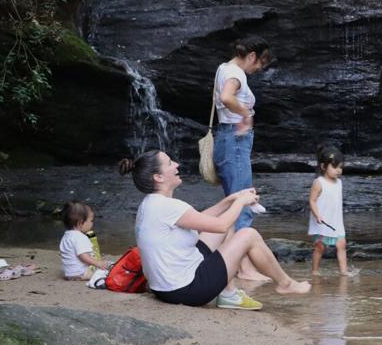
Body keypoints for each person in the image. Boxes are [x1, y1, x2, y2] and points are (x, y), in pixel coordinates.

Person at [119, 150, 310, 310]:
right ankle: (285, 284)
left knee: (226, 230)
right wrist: (242, 202)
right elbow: (220, 225)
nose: (176, 164)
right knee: (248, 235)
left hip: (165, 287)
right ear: (158, 177)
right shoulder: (168, 207)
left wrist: (231, 200)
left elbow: (203, 220)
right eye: (170, 163)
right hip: (186, 289)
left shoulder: (151, 204)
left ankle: (228, 295)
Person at [214, 40, 271, 281]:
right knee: (243, 204)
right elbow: (227, 97)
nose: (260, 68)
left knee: (237, 203)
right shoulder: (236, 73)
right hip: (234, 142)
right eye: (261, 63)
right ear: (252, 56)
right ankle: (244, 267)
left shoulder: (223, 68)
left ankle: (237, 264)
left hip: (228, 141)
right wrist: (246, 114)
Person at [308, 146, 350, 276]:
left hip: (336, 221)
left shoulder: (339, 183)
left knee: (341, 245)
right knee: (320, 247)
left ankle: (343, 271)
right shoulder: (319, 182)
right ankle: (315, 271)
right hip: (322, 221)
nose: (338, 170)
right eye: (335, 167)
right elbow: (312, 201)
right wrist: (317, 215)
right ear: (323, 166)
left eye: (340, 167)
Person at [59, 200, 107, 281]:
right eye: (91, 221)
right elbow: (83, 256)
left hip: (69, 273)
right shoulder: (80, 237)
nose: (92, 223)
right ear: (80, 223)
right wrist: (97, 263)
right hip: (81, 273)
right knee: (105, 271)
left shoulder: (66, 236)